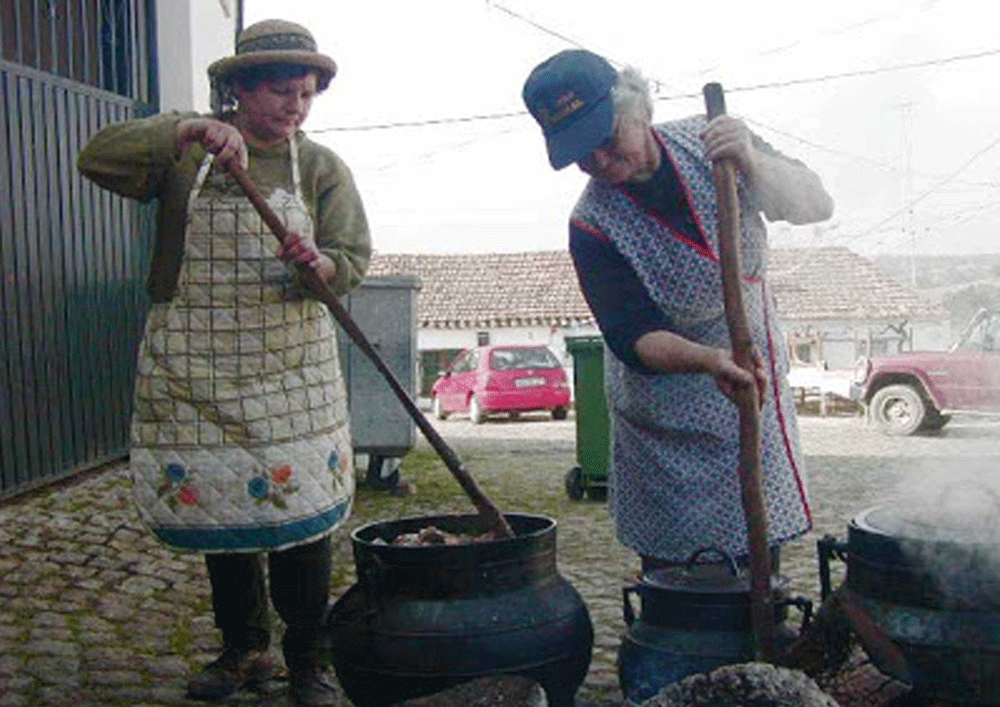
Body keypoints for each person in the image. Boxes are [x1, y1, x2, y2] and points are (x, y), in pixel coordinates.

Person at [78, 19, 370, 706]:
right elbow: (96, 158)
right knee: (221, 507)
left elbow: (351, 261)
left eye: (305, 94)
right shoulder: (186, 156)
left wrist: (318, 265)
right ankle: (244, 648)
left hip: (291, 370)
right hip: (199, 365)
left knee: (302, 520)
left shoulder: (322, 167)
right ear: (238, 88)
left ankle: (308, 657)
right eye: (279, 92)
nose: (294, 108)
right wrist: (185, 129)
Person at [522, 50, 834, 573]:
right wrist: (710, 361)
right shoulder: (593, 225)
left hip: (752, 386)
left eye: (605, 137)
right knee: (680, 583)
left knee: (761, 564)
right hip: (669, 414)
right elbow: (632, 334)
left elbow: (815, 205)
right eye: (579, 151)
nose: (598, 161)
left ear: (638, 108)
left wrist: (754, 161)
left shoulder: (714, 145)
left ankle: (761, 638)